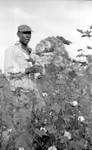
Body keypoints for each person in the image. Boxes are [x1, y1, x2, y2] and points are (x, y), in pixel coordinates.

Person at [4, 24, 37, 91]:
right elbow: (8, 72)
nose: (27, 36)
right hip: (19, 92)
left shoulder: (33, 52)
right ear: (18, 34)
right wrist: (25, 70)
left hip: (33, 92)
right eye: (24, 33)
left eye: (29, 33)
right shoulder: (11, 50)